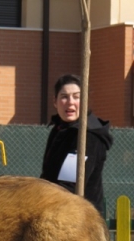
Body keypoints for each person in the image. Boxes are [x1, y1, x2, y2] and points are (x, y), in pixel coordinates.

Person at [40, 74, 113, 216]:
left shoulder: (88, 135)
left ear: (85, 101)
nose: (70, 102)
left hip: (81, 220)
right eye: (64, 97)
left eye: (76, 97)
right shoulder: (59, 129)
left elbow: (69, 185)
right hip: (55, 211)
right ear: (55, 101)